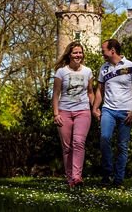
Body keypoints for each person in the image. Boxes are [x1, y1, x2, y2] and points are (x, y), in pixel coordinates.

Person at [92, 38, 132, 187]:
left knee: (122, 146)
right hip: (108, 110)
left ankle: (118, 179)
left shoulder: (131, 67)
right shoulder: (104, 68)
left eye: (104, 50)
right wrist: (95, 107)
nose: (102, 53)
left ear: (112, 51)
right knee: (104, 139)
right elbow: (100, 90)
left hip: (126, 112)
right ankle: (106, 175)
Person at [52, 41, 95, 188]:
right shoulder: (61, 72)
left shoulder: (87, 71)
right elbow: (56, 94)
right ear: (69, 54)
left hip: (83, 111)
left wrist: (94, 108)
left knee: (78, 142)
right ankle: (70, 178)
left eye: (80, 52)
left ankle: (77, 177)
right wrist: (56, 113)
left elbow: (90, 92)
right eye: (75, 52)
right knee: (67, 147)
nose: (78, 55)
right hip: (64, 111)